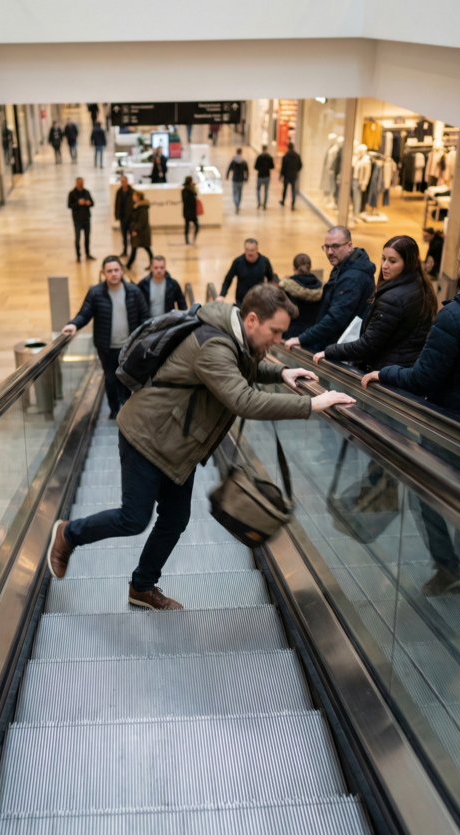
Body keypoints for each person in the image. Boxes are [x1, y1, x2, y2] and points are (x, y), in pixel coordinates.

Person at [50, 283, 356, 609]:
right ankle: (69, 535)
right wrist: (312, 405)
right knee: (133, 519)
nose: (279, 339)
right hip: (147, 436)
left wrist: (280, 371)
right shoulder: (214, 344)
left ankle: (141, 586)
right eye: (275, 331)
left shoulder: (235, 336)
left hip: (179, 443)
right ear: (252, 320)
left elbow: (242, 370)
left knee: (175, 519)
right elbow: (243, 400)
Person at [362, 232, 460, 597]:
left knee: (428, 493)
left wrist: (385, 373)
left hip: (452, 427)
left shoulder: (455, 316)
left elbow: (424, 377)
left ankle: (451, 571)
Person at [314, 236, 436, 371]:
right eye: (384, 259)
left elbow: (368, 345)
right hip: (403, 368)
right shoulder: (420, 286)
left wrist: (330, 351)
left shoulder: (393, 299)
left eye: (393, 261)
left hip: (385, 373)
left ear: (408, 263)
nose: (384, 266)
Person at [62, 256, 148, 419]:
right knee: (110, 379)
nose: (114, 274)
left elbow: (144, 316)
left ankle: (126, 407)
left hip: (128, 347)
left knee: (127, 379)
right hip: (106, 348)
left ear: (122, 271)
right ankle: (114, 409)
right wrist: (73, 324)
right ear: (103, 273)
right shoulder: (96, 293)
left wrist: (142, 339)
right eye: (110, 271)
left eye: (116, 270)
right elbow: (85, 313)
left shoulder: (134, 292)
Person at [285, 226, 376, 353]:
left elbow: (335, 319)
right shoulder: (344, 266)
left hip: (339, 348)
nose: (329, 252)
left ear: (349, 246)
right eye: (326, 247)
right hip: (335, 346)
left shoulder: (352, 277)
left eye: (335, 246)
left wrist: (302, 339)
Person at [218, 239, 274, 307]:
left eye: (252, 250)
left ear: (257, 249)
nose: (249, 253)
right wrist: (222, 295)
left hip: (259, 299)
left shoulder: (264, 261)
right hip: (242, 300)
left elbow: (271, 279)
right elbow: (228, 280)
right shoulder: (238, 262)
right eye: (247, 250)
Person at [278, 254, 323, 339]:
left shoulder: (285, 287)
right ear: (310, 267)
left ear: (293, 267)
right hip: (312, 335)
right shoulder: (320, 288)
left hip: (289, 335)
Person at [67, 177, 95, 262]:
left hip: (86, 219)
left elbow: (92, 203)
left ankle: (87, 254)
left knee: (87, 237)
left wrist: (88, 203)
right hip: (77, 220)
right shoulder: (72, 193)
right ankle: (78, 256)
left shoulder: (86, 192)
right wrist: (78, 203)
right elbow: (69, 205)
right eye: (79, 183)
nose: (81, 184)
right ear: (76, 183)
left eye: (82, 182)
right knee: (78, 238)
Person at [126, 191, 153, 269]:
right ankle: (129, 264)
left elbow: (141, 221)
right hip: (140, 231)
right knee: (137, 248)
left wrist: (135, 230)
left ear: (138, 197)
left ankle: (129, 265)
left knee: (143, 248)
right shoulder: (138, 206)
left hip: (141, 232)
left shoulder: (142, 208)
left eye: (134, 195)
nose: (133, 197)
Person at [114, 176, 134, 258]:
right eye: (122, 181)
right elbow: (116, 204)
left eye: (124, 181)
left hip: (130, 218)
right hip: (122, 217)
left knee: (131, 236)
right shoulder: (119, 192)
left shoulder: (132, 192)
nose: (123, 183)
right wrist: (116, 215)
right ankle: (125, 251)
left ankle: (133, 251)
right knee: (124, 235)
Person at [280, 142, 302, 210]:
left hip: (287, 176)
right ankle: (293, 204)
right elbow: (300, 165)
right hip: (293, 175)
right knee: (293, 190)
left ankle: (283, 201)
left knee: (285, 189)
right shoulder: (297, 156)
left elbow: (283, 167)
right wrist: (296, 171)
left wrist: (281, 175)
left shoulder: (285, 156)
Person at [226, 148, 249, 213]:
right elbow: (246, 171)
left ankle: (236, 204)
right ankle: (238, 204)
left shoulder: (233, 161)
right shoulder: (243, 162)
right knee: (240, 193)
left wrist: (227, 176)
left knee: (234, 193)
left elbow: (229, 169)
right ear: (241, 153)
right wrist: (246, 178)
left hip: (235, 179)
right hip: (241, 179)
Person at [254, 145, 275, 210]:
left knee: (258, 189)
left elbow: (255, 167)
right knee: (266, 191)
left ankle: (259, 202)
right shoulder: (269, 157)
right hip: (267, 176)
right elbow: (272, 167)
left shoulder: (259, 157)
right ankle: (265, 204)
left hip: (260, 176)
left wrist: (260, 169)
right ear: (266, 149)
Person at [182, 175, 199, 245]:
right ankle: (187, 240)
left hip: (189, 211)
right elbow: (189, 200)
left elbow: (195, 194)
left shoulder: (189, 189)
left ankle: (190, 240)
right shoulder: (186, 191)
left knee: (189, 226)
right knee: (188, 226)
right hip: (189, 212)